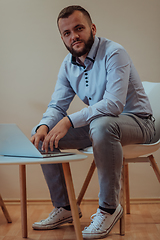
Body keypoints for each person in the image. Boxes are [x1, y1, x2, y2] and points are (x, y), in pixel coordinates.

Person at [30, 5, 155, 239]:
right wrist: (44, 126)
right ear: (62, 38)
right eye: (67, 33)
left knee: (102, 125)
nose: (73, 36)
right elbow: (57, 105)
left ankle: (109, 208)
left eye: (79, 28)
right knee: (41, 137)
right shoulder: (68, 64)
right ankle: (65, 208)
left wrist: (69, 121)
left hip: (140, 123)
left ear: (92, 28)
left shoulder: (114, 52)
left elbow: (114, 105)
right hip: (104, 125)